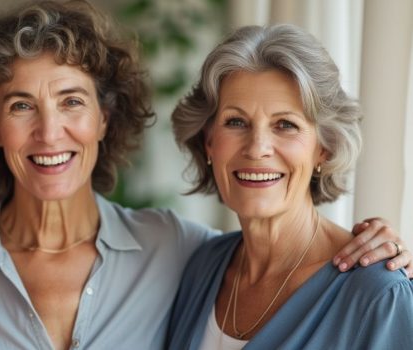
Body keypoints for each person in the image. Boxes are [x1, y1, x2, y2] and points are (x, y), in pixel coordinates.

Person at [0, 1, 409, 349]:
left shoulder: (170, 247)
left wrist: (389, 251)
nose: (50, 132)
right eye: (22, 106)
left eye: (72, 102)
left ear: (104, 119)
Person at [165, 24, 413, 349]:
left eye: (285, 125)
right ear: (209, 142)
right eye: (236, 122)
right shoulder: (200, 267)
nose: (257, 148)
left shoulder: (377, 293)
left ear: (324, 147)